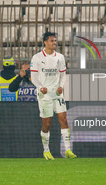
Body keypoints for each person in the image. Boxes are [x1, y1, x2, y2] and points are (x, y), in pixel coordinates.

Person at [31, 32, 77, 160]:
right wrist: (40, 88)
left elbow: (63, 75)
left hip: (57, 94)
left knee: (64, 120)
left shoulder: (60, 57)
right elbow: (33, 77)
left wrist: (61, 86)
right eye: (52, 41)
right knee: (47, 124)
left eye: (55, 41)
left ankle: (68, 150)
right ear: (45, 42)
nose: (54, 43)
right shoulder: (37, 58)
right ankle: (46, 150)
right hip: (44, 95)